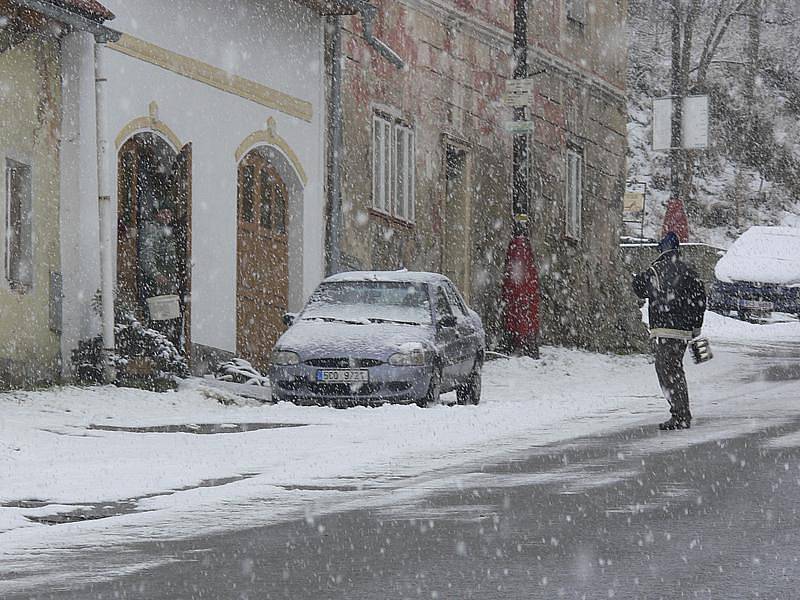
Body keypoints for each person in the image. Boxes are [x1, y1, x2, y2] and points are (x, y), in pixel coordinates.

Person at [632, 231, 706, 430]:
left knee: (668, 370)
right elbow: (700, 300)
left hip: (665, 329)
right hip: (683, 332)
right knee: (673, 368)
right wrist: (696, 327)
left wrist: (637, 276)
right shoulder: (690, 270)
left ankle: (681, 414)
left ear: (661, 249)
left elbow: (639, 288)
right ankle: (680, 412)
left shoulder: (656, 270)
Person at [140, 204, 181, 347]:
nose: (167, 216)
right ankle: (159, 347)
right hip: (155, 282)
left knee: (168, 316)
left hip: (167, 282)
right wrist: (156, 274)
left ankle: (168, 346)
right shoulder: (152, 229)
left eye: (169, 212)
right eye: (163, 212)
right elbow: (147, 255)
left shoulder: (166, 230)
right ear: (156, 214)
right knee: (158, 317)